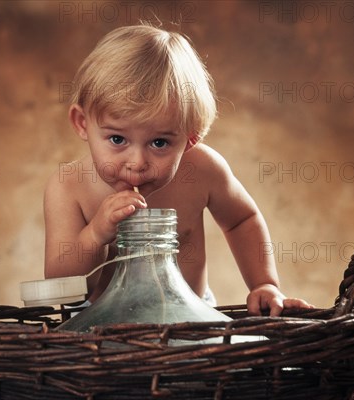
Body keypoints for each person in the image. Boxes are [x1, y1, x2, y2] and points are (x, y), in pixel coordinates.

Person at [44, 24, 312, 316]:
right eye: (117, 139)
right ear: (83, 124)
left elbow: (241, 220)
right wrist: (95, 235)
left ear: (190, 137)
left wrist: (264, 283)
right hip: (98, 331)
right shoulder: (69, 185)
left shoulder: (201, 170)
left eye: (159, 142)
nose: (137, 161)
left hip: (190, 321)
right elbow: (62, 285)